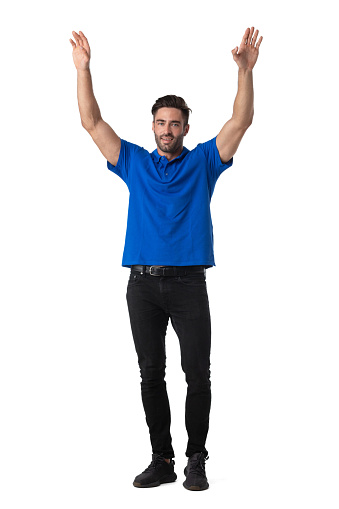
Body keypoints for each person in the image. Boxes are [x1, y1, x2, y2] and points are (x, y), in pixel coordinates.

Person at [70, 27, 263, 491]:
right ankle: (162, 459)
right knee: (150, 374)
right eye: (161, 123)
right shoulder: (134, 161)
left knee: (197, 374)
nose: (167, 131)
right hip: (142, 285)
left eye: (175, 124)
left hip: (188, 285)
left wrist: (244, 73)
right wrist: (83, 71)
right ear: (152, 125)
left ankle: (196, 458)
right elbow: (91, 123)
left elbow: (240, 122)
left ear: (185, 129)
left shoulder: (203, 162)